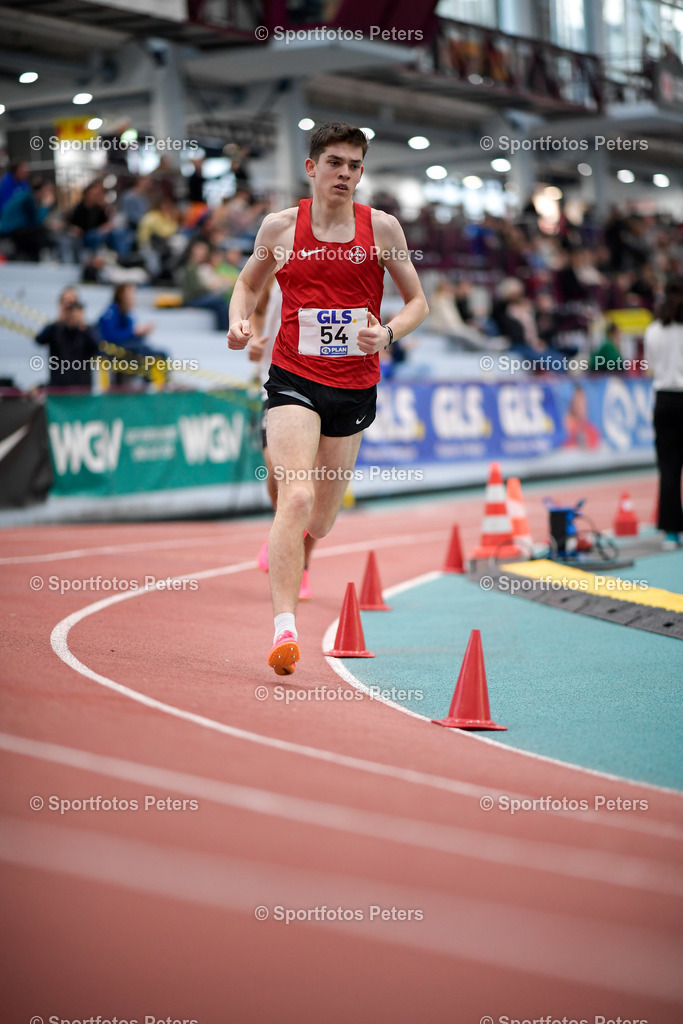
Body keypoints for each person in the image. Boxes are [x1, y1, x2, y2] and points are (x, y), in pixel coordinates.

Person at [228, 120, 429, 675]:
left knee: (321, 519)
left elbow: (418, 303)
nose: (345, 173)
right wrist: (239, 322)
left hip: (355, 384)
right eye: (335, 163)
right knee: (293, 498)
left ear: (362, 174)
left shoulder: (383, 230)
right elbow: (247, 285)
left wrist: (387, 333)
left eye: (355, 165)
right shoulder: (282, 227)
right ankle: (283, 628)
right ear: (312, 168)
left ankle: (298, 541)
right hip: (293, 374)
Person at [248, 276, 316, 600]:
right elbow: (250, 340)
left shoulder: (312, 272)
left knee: (312, 489)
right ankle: (281, 525)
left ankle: (302, 566)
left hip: (318, 387)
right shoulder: (262, 289)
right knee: (276, 470)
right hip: (274, 388)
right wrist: (251, 345)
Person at [644, 276, 683, 549]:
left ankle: (671, 531)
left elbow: (649, 367)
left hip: (664, 401)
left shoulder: (653, 330)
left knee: (668, 469)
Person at [35, 288, 100, 389]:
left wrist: (82, 325)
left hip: (82, 388)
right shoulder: (55, 329)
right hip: (58, 388)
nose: (70, 309)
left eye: (73, 304)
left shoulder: (86, 330)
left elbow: (97, 348)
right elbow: (39, 340)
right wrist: (58, 320)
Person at [0, 176, 54, 260]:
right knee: (41, 232)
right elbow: (36, 221)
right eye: (49, 191)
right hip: (12, 230)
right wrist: (46, 205)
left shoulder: (25, 194)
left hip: (12, 228)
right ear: (42, 190)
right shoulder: (28, 198)